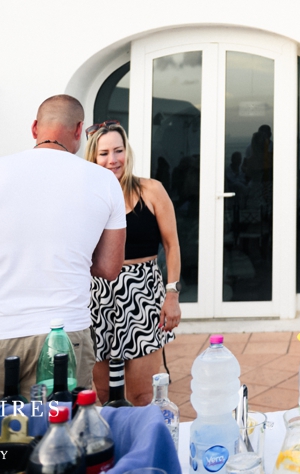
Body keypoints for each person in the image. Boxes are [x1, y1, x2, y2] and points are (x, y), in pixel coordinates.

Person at [0, 94, 126, 406]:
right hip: (64, 337)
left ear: (34, 128)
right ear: (79, 130)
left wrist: (11, 258)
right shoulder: (104, 181)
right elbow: (109, 268)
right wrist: (63, 258)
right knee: (63, 445)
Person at [84, 120, 181, 405]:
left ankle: (142, 448)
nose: (112, 160)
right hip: (96, 296)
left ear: (128, 151)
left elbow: (172, 244)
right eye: (103, 153)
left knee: (141, 394)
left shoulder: (151, 191)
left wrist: (172, 294)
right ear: (92, 157)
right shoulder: (85, 197)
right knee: (101, 395)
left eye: (118, 150)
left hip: (142, 296)